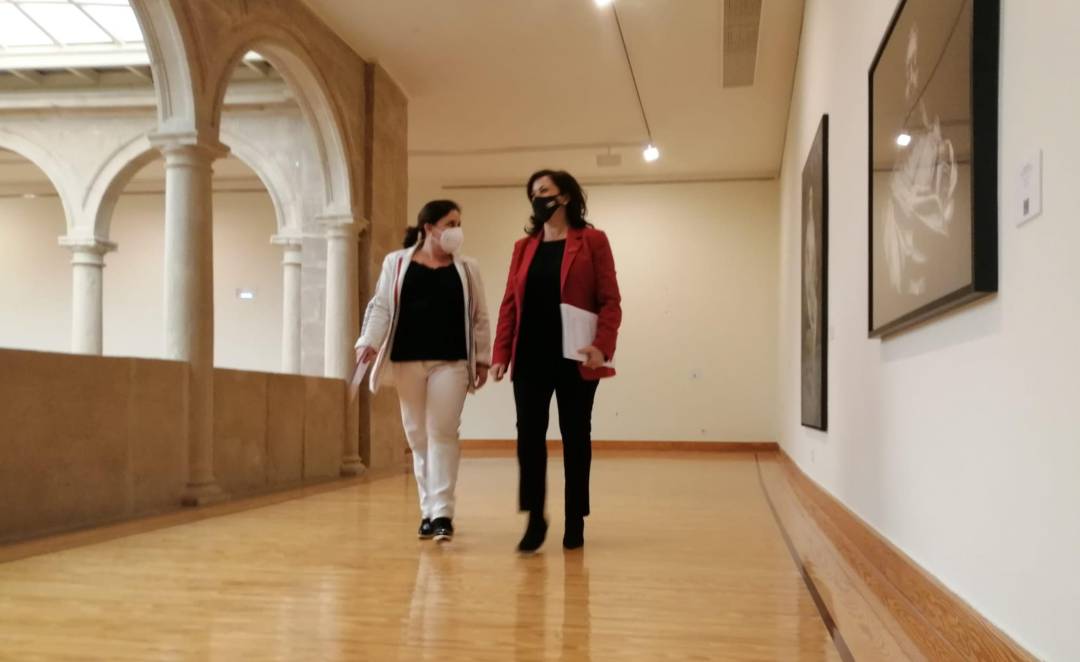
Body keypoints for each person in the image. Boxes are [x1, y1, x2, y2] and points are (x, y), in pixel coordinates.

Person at [491, 169, 622, 553]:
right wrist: (500, 353)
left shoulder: (592, 241)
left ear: (564, 196)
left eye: (544, 191)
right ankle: (535, 518)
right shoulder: (523, 247)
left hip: (576, 356)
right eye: (533, 192)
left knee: (575, 437)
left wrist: (602, 345)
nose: (538, 198)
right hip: (530, 354)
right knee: (529, 438)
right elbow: (510, 304)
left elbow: (610, 300)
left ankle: (574, 519)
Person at [355, 200, 491, 543]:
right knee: (417, 435)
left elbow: (480, 316)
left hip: (452, 360)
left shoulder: (468, 268)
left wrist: (482, 358)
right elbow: (382, 305)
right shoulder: (396, 263)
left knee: (442, 431)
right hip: (407, 358)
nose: (456, 230)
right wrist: (367, 342)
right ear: (429, 228)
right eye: (450, 222)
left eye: (459, 222)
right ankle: (428, 510)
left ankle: (443, 512)